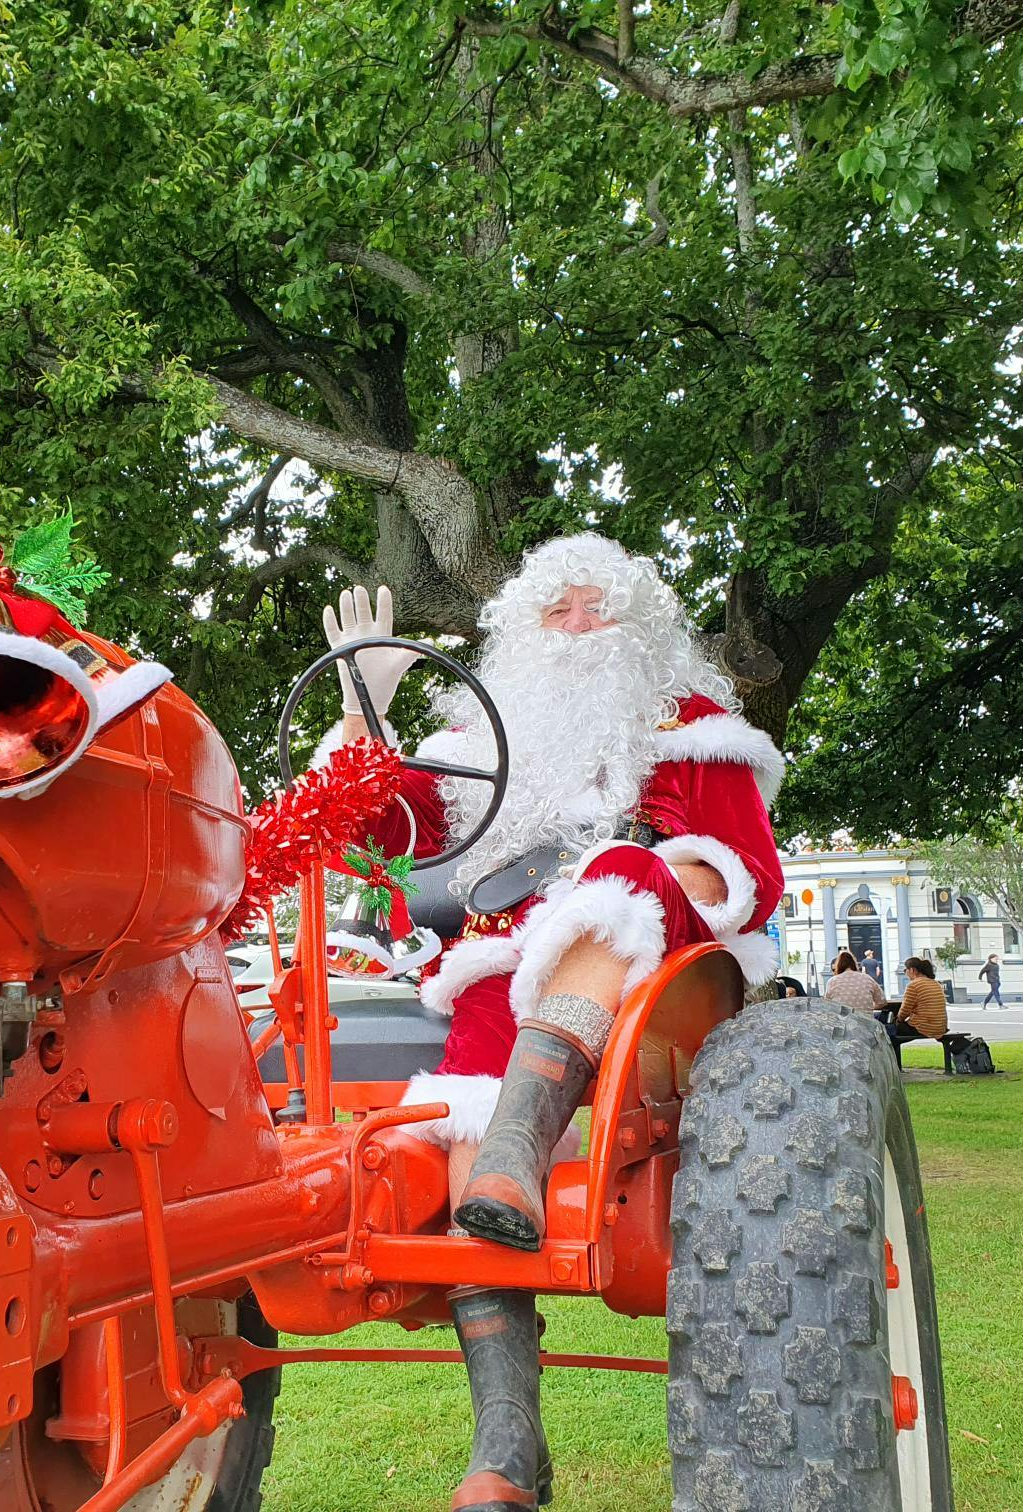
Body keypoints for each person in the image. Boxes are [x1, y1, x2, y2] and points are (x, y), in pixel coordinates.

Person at [315, 536, 784, 1512]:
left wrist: (669, 871)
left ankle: (516, 1148)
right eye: (554, 611)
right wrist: (368, 710)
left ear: (640, 630)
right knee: (462, 1118)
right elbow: (378, 835)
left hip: (659, 970)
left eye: (594, 609)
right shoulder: (479, 743)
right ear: (521, 633)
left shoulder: (693, 732)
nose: (574, 628)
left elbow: (746, 869)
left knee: (620, 877)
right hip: (504, 973)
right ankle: (509, 1449)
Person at [881, 956, 949, 1053]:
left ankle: (895, 1065)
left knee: (887, 1032)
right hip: (940, 1027)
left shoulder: (914, 985)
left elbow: (905, 1010)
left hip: (923, 1027)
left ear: (912, 970)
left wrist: (898, 1020)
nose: (905, 973)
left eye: (906, 970)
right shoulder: (935, 984)